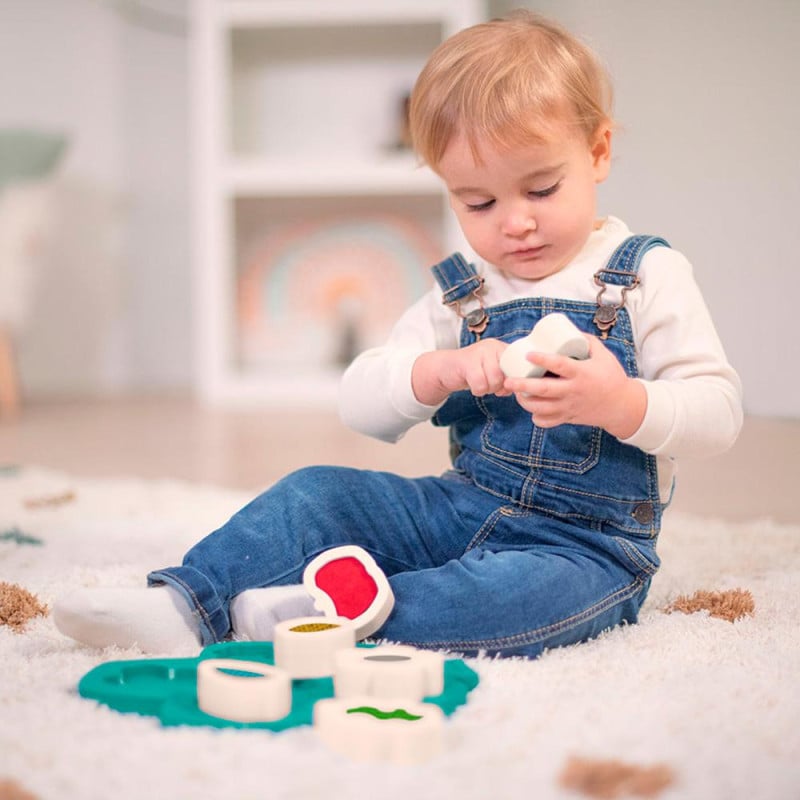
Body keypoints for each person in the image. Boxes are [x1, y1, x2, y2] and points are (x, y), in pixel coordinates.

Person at [54, 10, 742, 659]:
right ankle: (186, 605)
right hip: (458, 506)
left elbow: (718, 413)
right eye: (479, 202)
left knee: (504, 604)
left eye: (540, 190)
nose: (514, 223)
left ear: (597, 152)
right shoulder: (466, 290)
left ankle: (315, 620)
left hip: (583, 548)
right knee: (317, 492)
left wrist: (620, 404)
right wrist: (436, 371)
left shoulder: (645, 275)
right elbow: (360, 401)